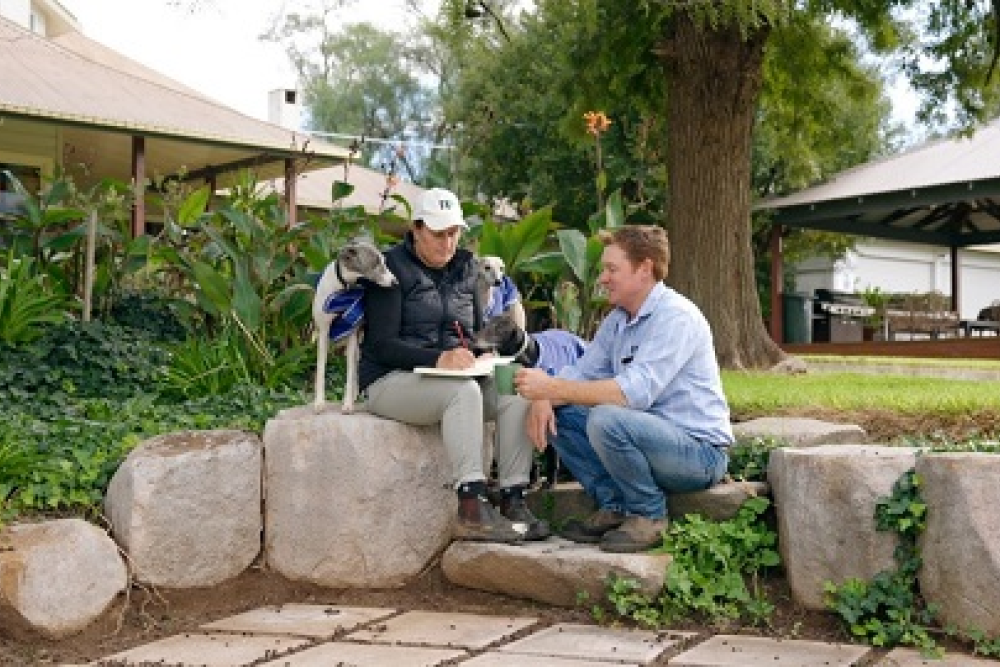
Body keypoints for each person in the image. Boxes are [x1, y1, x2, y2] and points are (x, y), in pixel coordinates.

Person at [515, 225, 733, 553]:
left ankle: (648, 514)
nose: (603, 278)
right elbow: (582, 373)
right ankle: (615, 506)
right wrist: (545, 396)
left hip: (697, 454)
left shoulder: (677, 317)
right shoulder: (618, 320)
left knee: (606, 418)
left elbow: (632, 393)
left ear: (644, 269)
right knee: (560, 413)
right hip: (647, 438)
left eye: (611, 269)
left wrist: (552, 386)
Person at [358, 187, 550, 543]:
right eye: (438, 234)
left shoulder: (466, 267)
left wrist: (482, 353)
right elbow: (381, 345)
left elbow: (474, 332)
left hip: (451, 377)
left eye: (453, 233)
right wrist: (438, 358)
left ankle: (513, 499)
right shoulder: (390, 271)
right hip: (390, 381)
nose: (448, 243)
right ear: (415, 229)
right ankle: (472, 507)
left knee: (516, 385)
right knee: (461, 392)